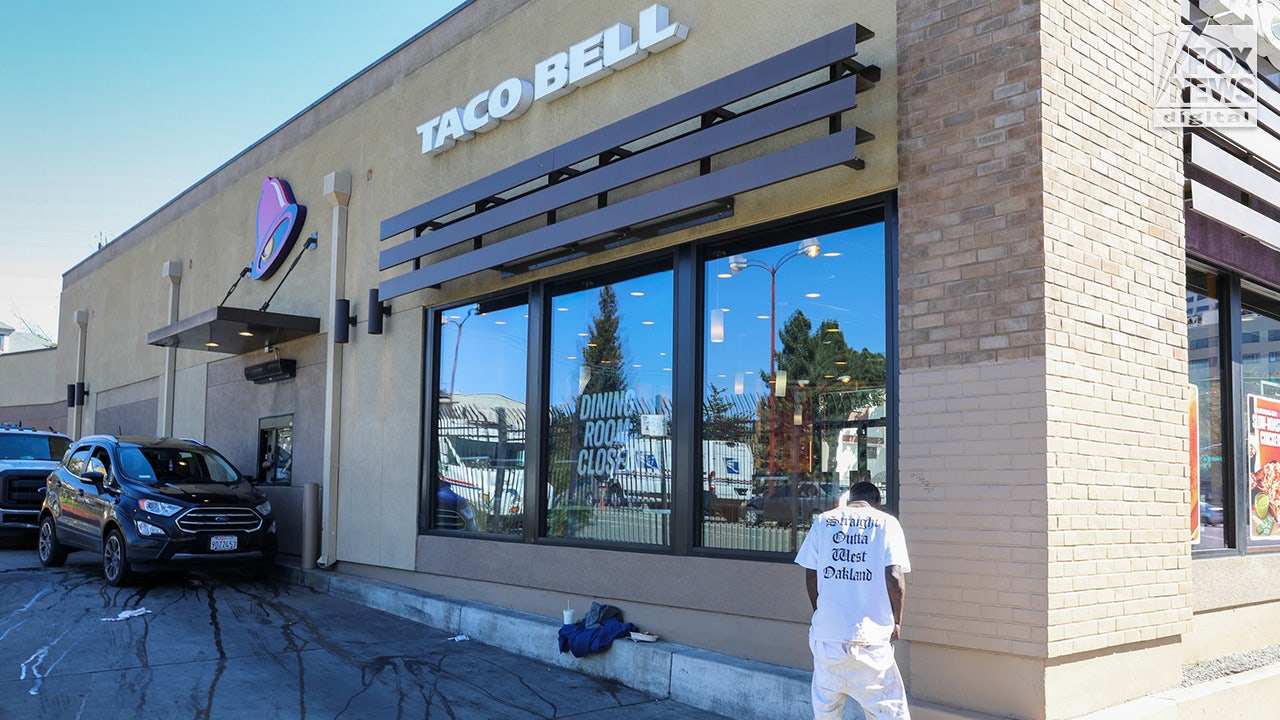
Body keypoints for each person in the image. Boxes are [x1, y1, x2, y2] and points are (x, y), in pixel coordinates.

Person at [795, 481, 910, 719]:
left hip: (828, 638)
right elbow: (894, 576)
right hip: (871, 640)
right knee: (888, 712)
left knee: (826, 711)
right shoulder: (886, 523)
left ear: (849, 501)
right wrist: (897, 621)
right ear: (877, 503)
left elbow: (811, 573)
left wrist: (820, 610)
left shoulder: (824, 521)